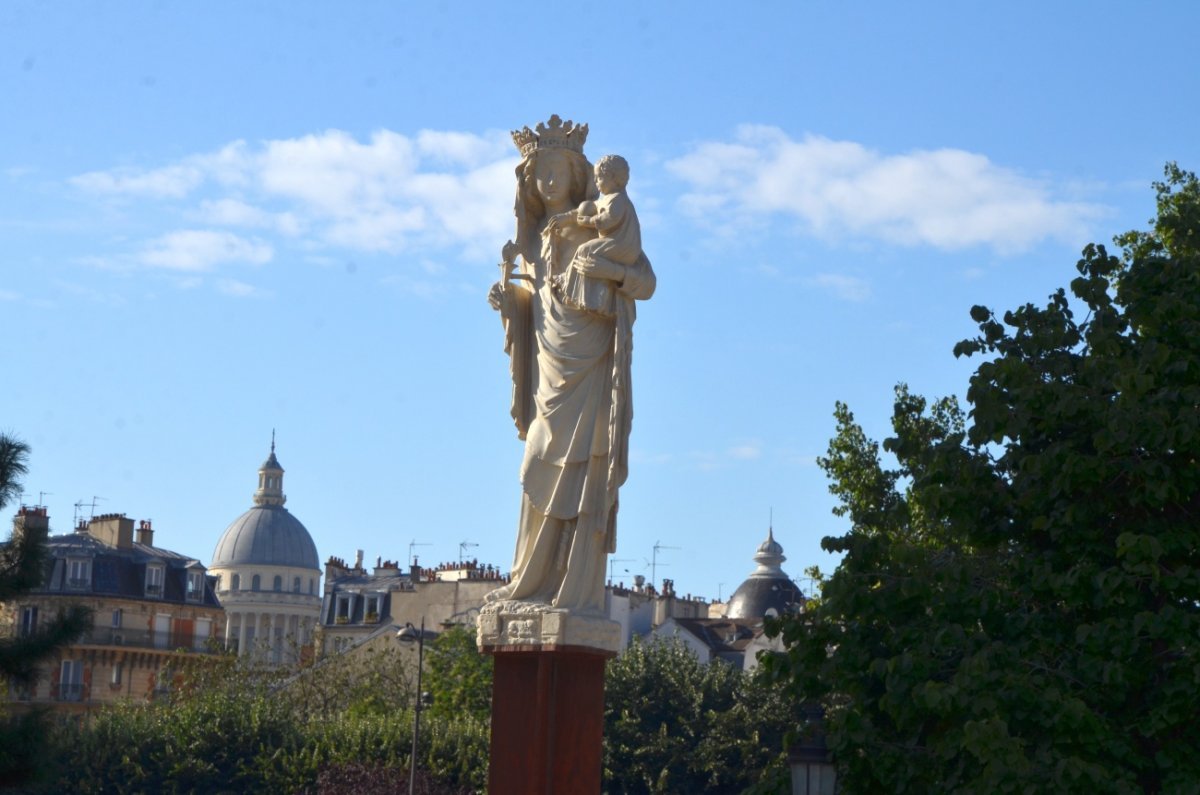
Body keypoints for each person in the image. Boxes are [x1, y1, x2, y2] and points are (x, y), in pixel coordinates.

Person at [485, 116, 655, 615]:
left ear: (578, 173)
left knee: (584, 475)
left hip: (592, 366)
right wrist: (510, 301)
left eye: (559, 169)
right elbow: (534, 305)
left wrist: (609, 269)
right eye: (541, 173)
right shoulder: (533, 240)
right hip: (548, 371)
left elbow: (643, 281)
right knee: (535, 464)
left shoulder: (598, 221)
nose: (550, 181)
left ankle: (571, 592)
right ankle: (528, 582)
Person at [548, 154, 643, 318]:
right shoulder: (606, 199)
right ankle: (579, 291)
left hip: (622, 244)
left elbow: (607, 219)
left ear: (614, 178)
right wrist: (568, 217)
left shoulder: (618, 199)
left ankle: (581, 293)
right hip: (616, 243)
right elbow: (586, 209)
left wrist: (589, 221)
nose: (596, 182)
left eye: (599, 178)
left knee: (586, 250)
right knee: (586, 251)